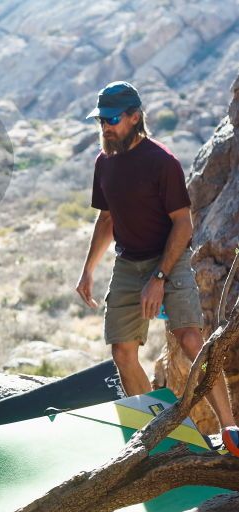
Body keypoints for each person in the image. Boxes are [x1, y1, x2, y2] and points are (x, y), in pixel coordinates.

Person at [76, 80, 239, 457]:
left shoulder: (161, 162)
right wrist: (88, 270)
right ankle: (159, 434)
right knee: (122, 353)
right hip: (129, 263)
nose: (105, 126)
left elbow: (183, 224)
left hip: (170, 257)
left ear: (135, 117)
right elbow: (106, 219)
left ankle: (231, 428)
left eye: (112, 119)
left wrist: (161, 278)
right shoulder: (105, 162)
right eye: (100, 119)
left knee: (190, 340)